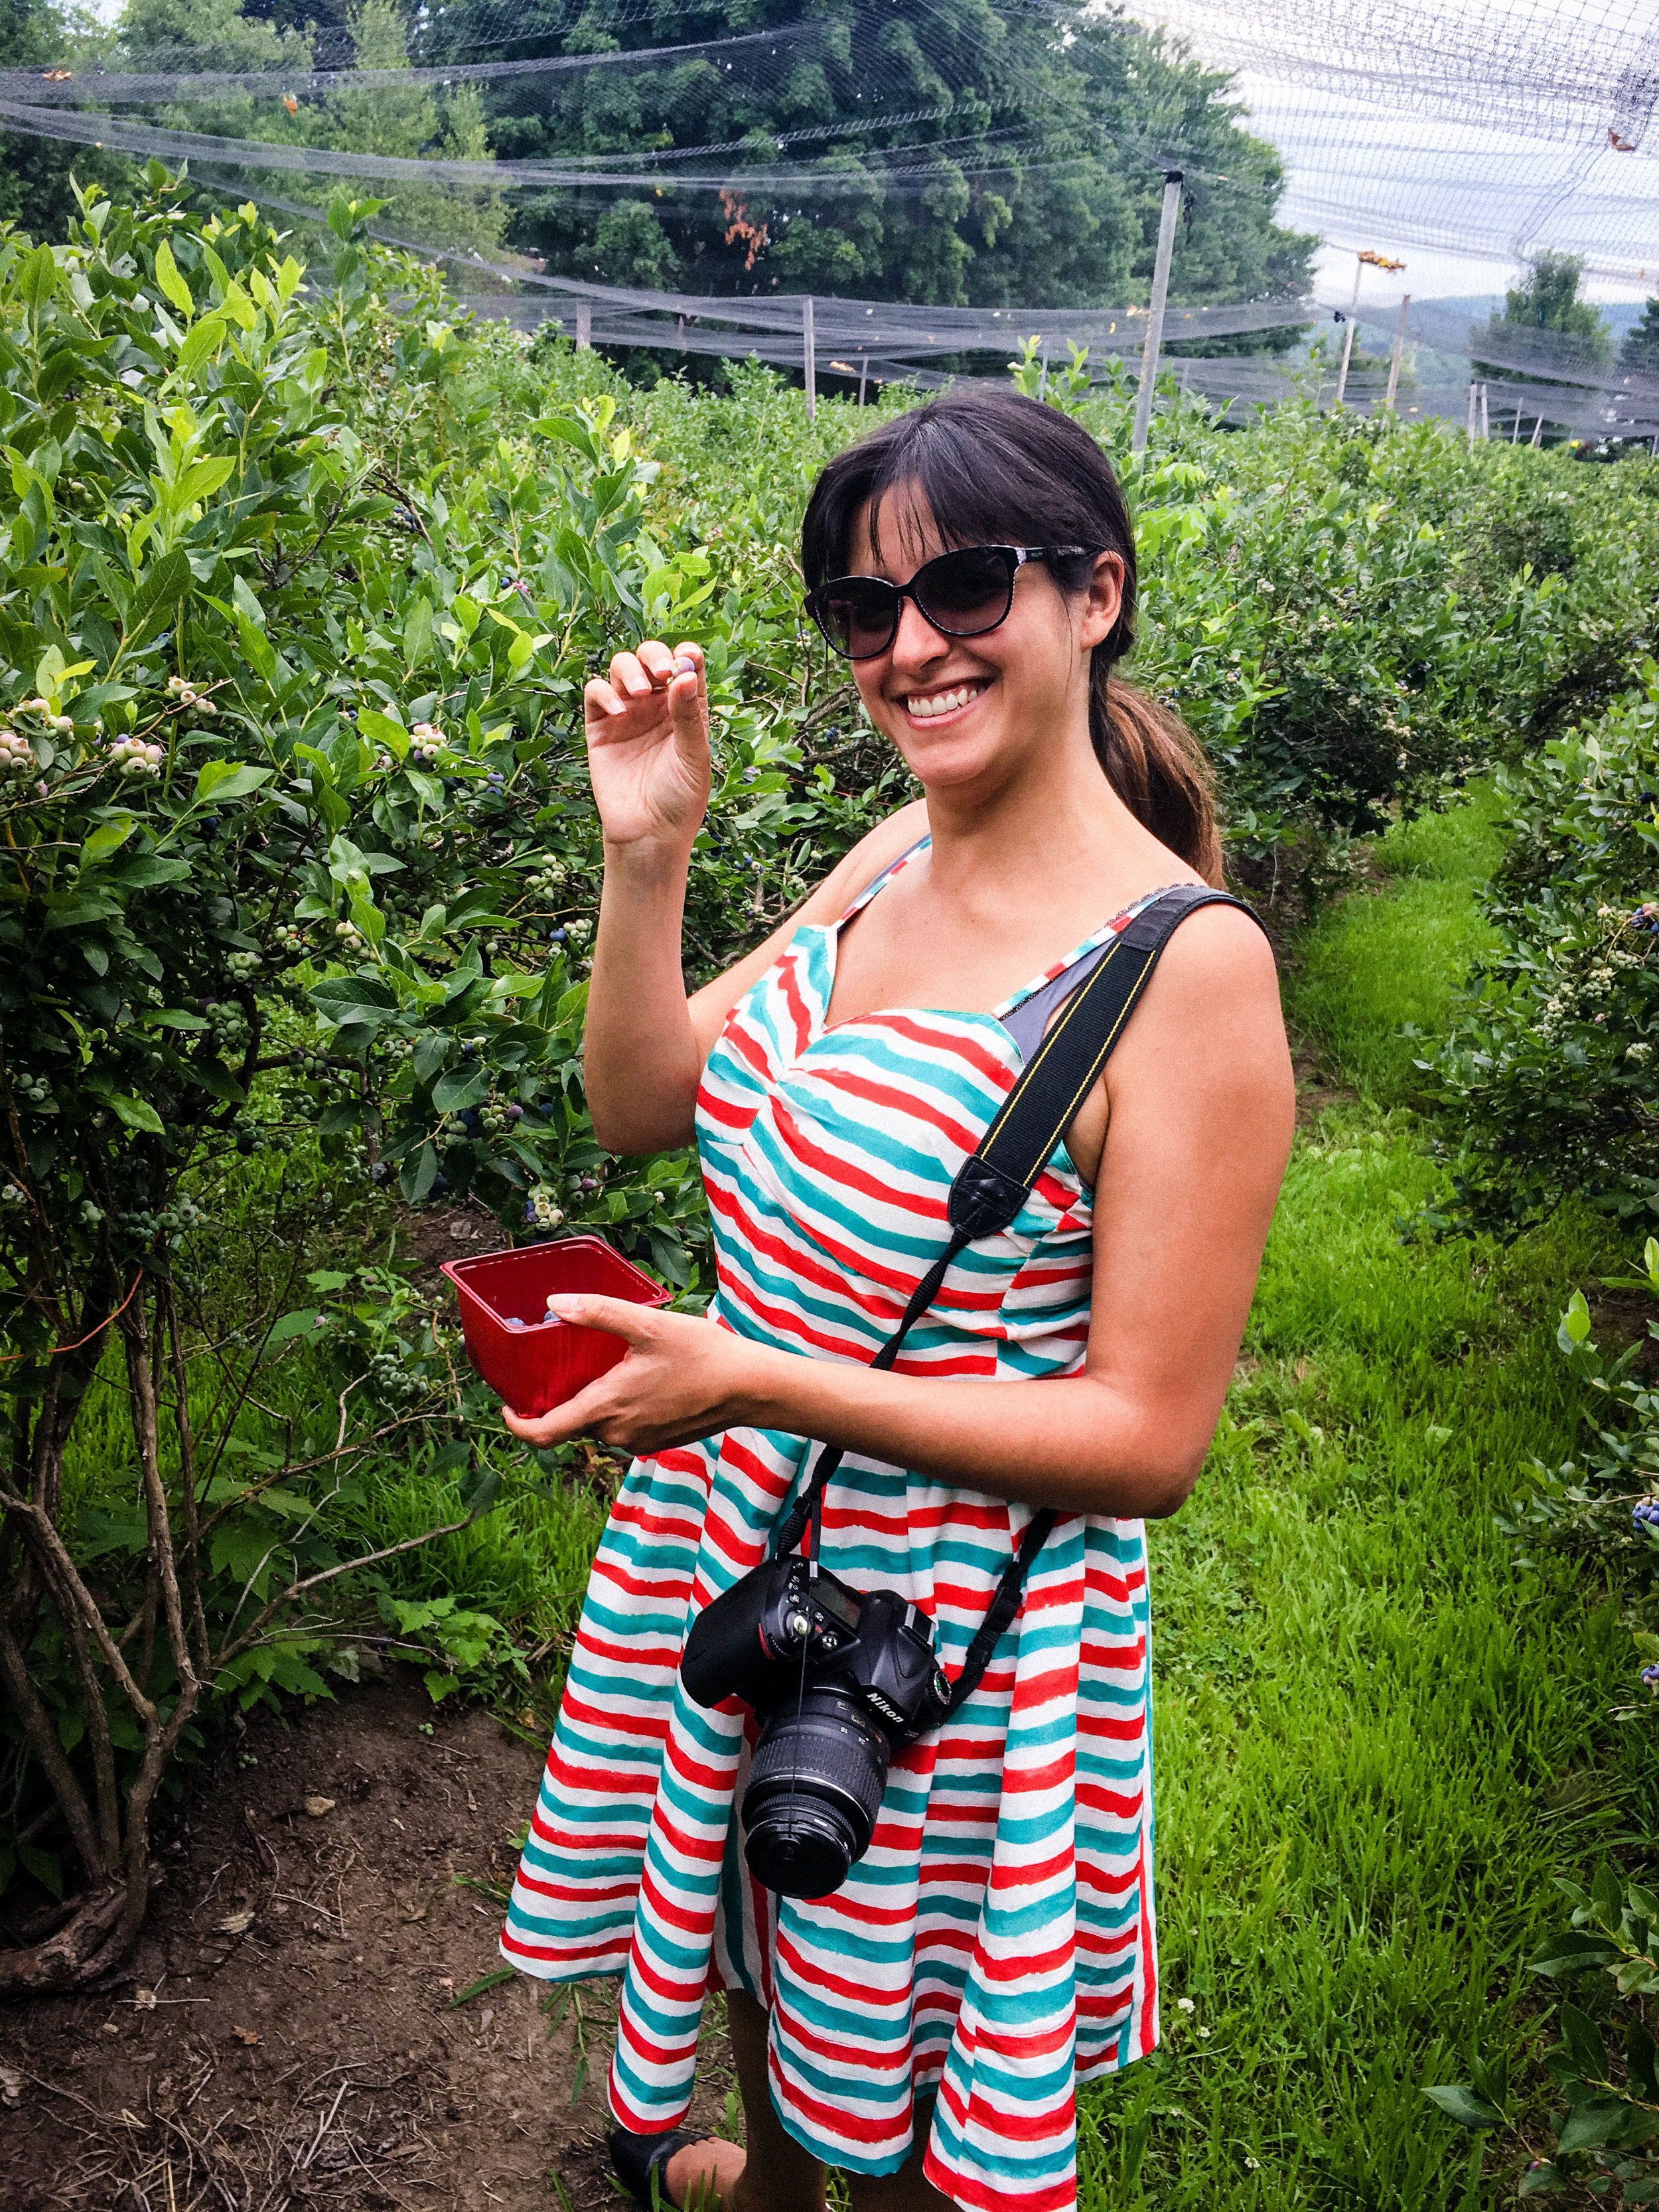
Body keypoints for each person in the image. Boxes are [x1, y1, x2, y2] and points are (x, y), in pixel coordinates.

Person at [498, 388, 1294, 2212]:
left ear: (1092, 596)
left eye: (963, 589)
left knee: (909, 2046)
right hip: (743, 1544)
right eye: (865, 612)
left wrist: (755, 1382)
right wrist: (649, 857)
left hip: (952, 1622)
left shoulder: (1180, 974)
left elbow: (1143, 1437)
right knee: (772, 1961)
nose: (910, 647)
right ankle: (766, 2180)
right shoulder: (885, 860)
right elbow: (643, 1105)